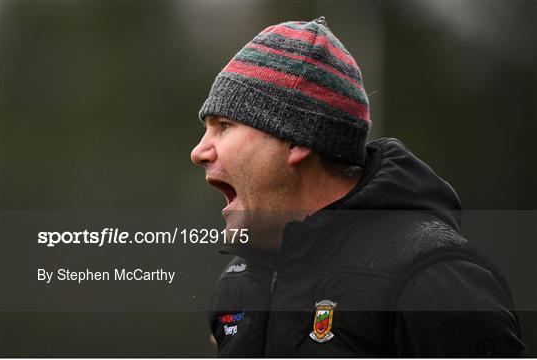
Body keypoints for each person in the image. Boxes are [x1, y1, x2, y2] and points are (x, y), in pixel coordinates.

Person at [190, 17, 527, 357]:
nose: (199, 152)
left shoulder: (433, 276)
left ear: (296, 140)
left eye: (225, 126)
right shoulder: (240, 282)